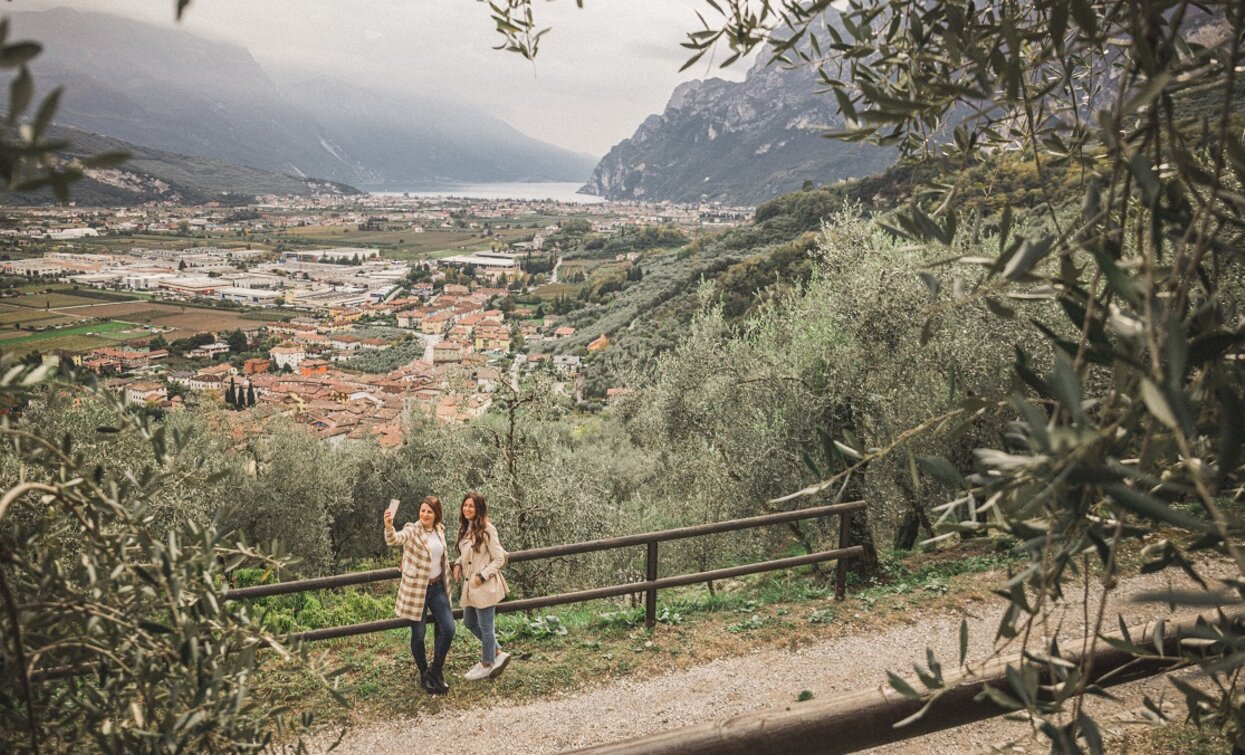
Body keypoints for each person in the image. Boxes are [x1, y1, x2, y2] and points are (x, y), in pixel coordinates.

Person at [384, 495, 455, 694]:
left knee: (449, 629)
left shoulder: (440, 530)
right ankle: (425, 674)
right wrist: (389, 526)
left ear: (436, 514)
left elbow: (442, 557)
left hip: (437, 587)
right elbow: (395, 539)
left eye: (429, 511)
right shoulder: (412, 529)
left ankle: (436, 671)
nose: (425, 514)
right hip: (417, 590)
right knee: (419, 634)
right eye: (423, 510)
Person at [452, 491, 510, 680]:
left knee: (486, 627)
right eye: (465, 505)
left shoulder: (487, 529)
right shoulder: (467, 527)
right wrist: (459, 562)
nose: (467, 509)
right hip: (470, 587)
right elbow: (469, 553)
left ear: (479, 508)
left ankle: (487, 663)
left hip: (484, 586)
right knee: (469, 623)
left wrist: (482, 576)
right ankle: (497, 652)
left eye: (471, 506)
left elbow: (499, 558)